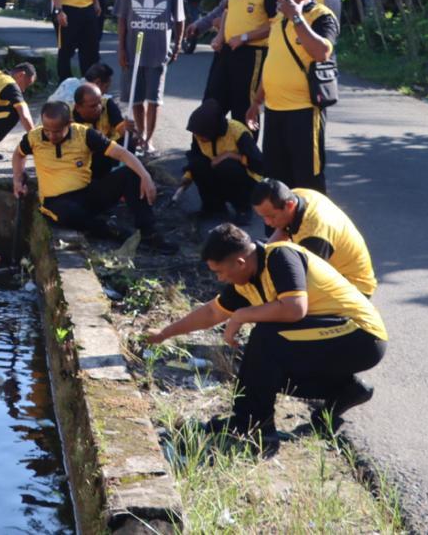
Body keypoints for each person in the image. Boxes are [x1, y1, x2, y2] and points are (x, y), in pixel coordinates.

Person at [149, 224, 386, 437]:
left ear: (240, 262)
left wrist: (241, 315)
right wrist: (164, 333)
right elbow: (211, 313)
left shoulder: (281, 256)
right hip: (333, 341)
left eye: (219, 271)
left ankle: (252, 425)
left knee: (265, 338)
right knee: (261, 370)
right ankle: (346, 390)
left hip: (361, 335)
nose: (221, 279)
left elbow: (295, 309)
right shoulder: (245, 281)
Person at [14, 101, 174, 250]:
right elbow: (18, 155)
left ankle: (149, 232)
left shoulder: (84, 134)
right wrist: (17, 179)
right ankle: (111, 230)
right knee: (68, 214)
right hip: (56, 202)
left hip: (86, 194)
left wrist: (145, 176)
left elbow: (122, 154)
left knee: (130, 173)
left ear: (69, 124)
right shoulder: (33, 138)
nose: (51, 136)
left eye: (56, 131)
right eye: (46, 130)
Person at [246, 0, 338, 193]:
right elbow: (273, 61)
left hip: (304, 112)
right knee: (276, 183)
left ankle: (311, 229)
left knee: (307, 182)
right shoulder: (278, 19)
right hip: (275, 112)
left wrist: (297, 17)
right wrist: (257, 101)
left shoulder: (320, 16)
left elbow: (322, 52)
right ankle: (278, 230)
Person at [187, 0, 277, 123]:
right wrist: (220, 36)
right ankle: (203, 149)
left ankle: (245, 150)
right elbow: (227, 11)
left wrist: (245, 37)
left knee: (243, 107)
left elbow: (275, 26)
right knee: (212, 101)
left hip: (252, 54)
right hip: (226, 51)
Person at [250, 179, 376, 297]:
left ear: (289, 205)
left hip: (354, 288)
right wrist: (261, 260)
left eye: (271, 216)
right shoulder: (297, 194)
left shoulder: (315, 235)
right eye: (263, 217)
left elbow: (303, 281)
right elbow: (282, 232)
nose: (267, 222)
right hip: (331, 271)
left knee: (285, 307)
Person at [116, 0, 184, 154]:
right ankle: (140, 134)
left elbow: (179, 19)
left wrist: (178, 44)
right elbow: (122, 17)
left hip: (158, 50)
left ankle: (148, 139)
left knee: (154, 99)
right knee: (136, 97)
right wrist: (121, 48)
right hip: (133, 49)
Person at [181, 98, 263, 222]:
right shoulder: (199, 133)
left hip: (246, 179)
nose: (198, 138)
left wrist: (230, 155)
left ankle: (243, 208)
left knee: (227, 166)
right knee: (198, 165)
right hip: (216, 173)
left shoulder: (238, 132)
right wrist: (188, 175)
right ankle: (214, 208)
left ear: (213, 129)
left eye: (201, 135)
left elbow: (259, 164)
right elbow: (195, 155)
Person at [72, 82, 134, 179]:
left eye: (99, 102)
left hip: (111, 151)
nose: (99, 108)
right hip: (87, 159)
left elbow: (121, 128)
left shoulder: (108, 104)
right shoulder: (68, 119)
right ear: (78, 107)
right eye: (93, 106)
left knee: (129, 140)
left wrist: (127, 128)